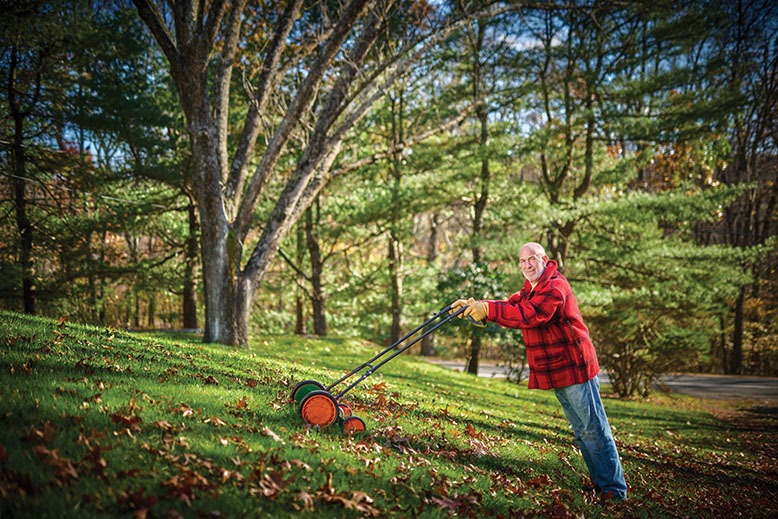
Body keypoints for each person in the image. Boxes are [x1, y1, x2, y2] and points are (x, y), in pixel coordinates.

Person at [450, 242, 627, 502]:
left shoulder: (555, 286)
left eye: (531, 259)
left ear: (544, 259)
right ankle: (603, 486)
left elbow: (530, 315)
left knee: (593, 429)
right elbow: (512, 306)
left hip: (575, 367)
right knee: (581, 430)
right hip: (558, 370)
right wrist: (478, 306)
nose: (527, 265)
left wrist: (488, 310)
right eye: (522, 261)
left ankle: (614, 490)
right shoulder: (532, 288)